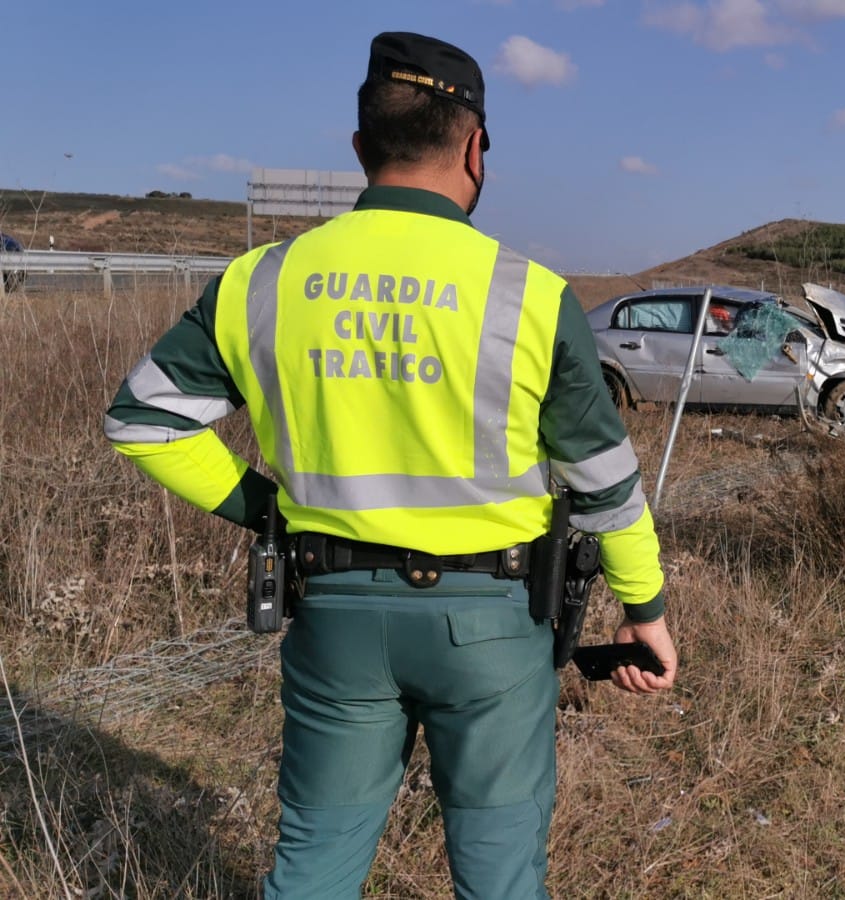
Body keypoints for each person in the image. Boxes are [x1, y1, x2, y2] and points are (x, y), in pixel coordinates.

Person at [103, 31, 677, 899]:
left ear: (363, 147)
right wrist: (646, 606)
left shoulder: (262, 282)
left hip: (334, 618)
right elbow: (605, 485)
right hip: (492, 628)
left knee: (312, 867)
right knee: (498, 874)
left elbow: (143, 423)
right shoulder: (527, 293)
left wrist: (267, 507)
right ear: (476, 146)